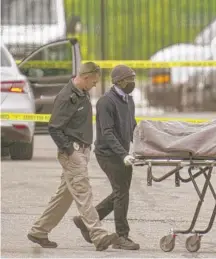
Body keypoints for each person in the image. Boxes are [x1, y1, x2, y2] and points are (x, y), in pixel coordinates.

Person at [27, 62, 120, 251]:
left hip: (81, 151)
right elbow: (54, 128)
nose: (95, 85)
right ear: (85, 77)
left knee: (64, 196)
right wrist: (70, 151)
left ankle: (39, 231)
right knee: (84, 193)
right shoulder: (66, 97)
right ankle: (98, 235)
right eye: (93, 82)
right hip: (73, 153)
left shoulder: (81, 93)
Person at [72, 64, 139, 250]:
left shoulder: (128, 100)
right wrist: (123, 154)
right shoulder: (105, 102)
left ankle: (86, 221)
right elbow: (107, 133)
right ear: (119, 81)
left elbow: (132, 126)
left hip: (121, 153)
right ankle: (122, 237)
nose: (132, 83)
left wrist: (144, 145)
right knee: (121, 193)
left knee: (121, 192)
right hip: (108, 154)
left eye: (134, 79)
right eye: (129, 79)